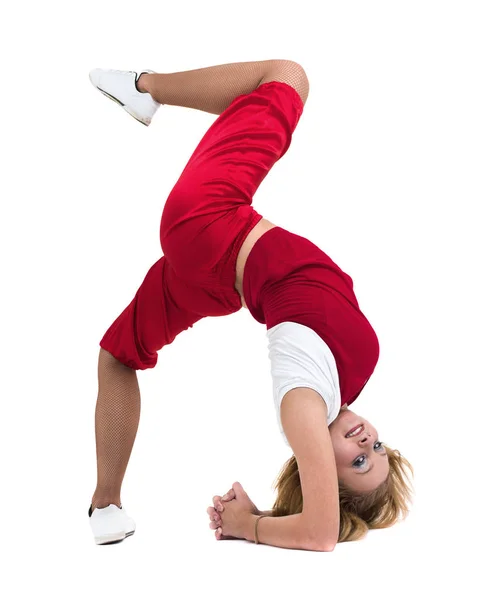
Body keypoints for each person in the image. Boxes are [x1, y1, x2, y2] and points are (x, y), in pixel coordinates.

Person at [87, 60, 414, 549]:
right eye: (380, 448)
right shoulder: (341, 382)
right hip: (220, 285)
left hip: (212, 221)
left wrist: (249, 525)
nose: (368, 443)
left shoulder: (302, 406)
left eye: (360, 462)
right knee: (119, 355)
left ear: (319, 469)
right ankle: (105, 505)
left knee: (287, 78)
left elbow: (322, 535)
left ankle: (145, 87)